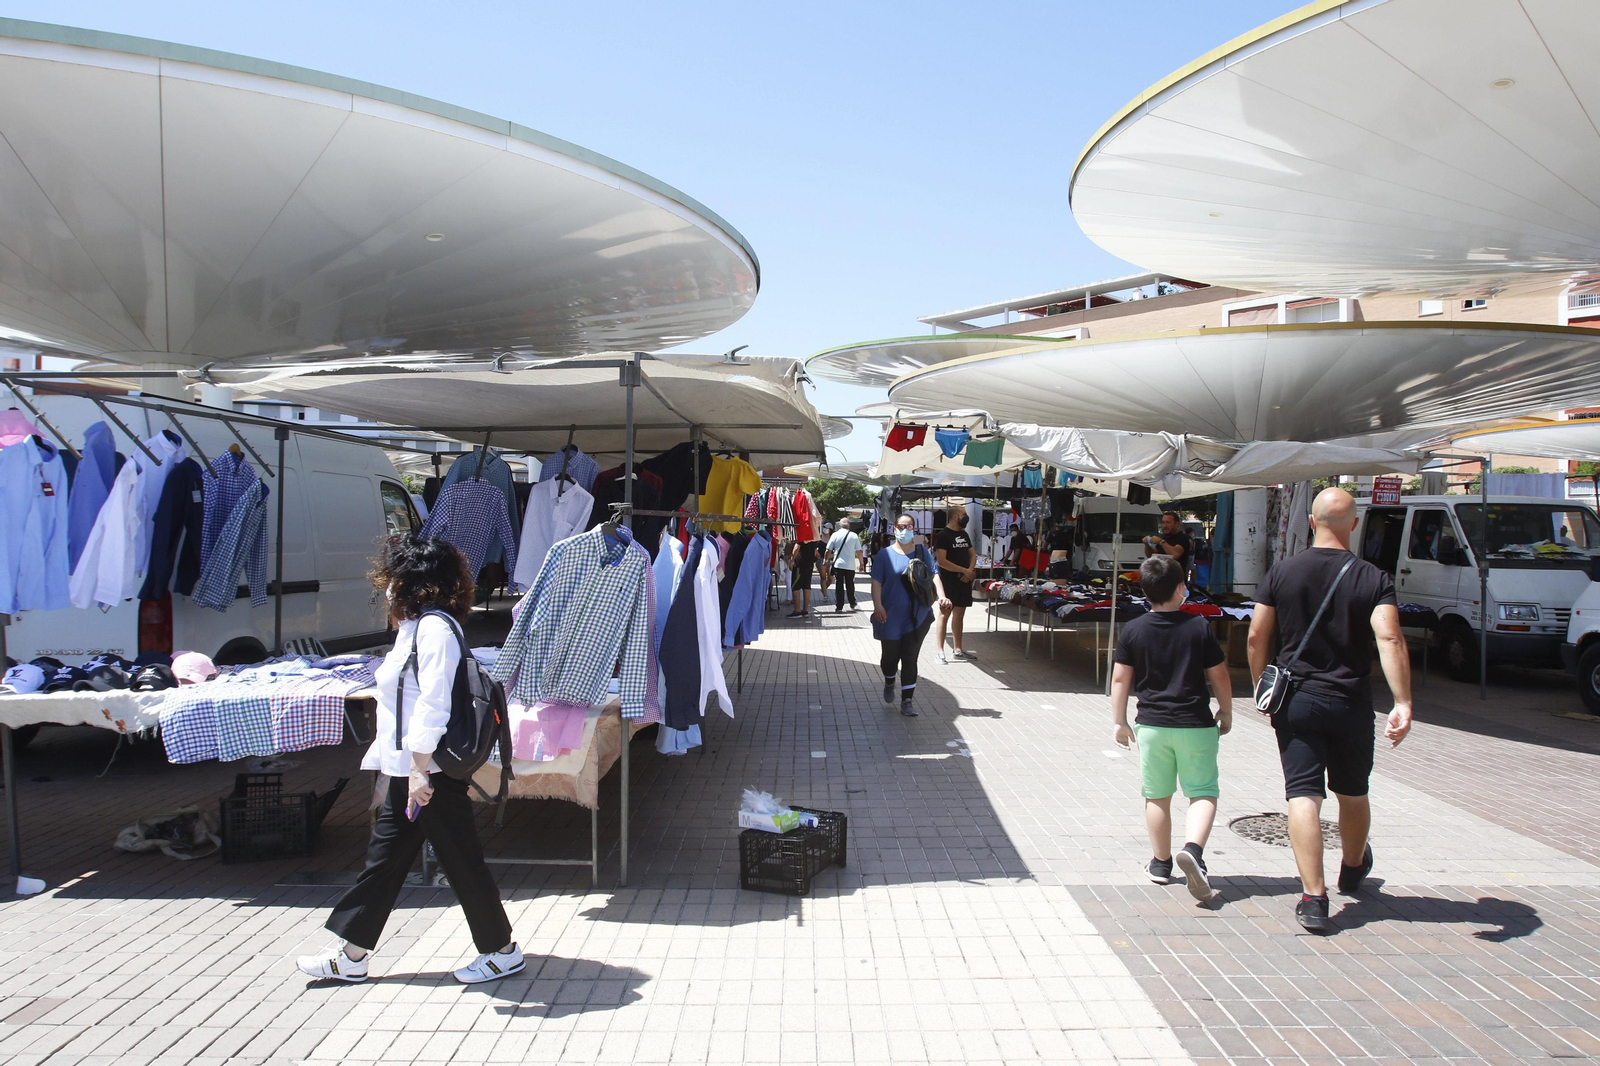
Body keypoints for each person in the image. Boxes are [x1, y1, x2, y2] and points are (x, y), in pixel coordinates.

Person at [297, 536, 521, 984]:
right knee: (386, 862)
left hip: (428, 772)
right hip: (411, 771)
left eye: (393, 578)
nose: (386, 588)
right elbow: (400, 704)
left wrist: (417, 768)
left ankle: (502, 950)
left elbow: (433, 704)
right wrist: (392, 768)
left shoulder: (435, 630)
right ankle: (352, 955)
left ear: (414, 583)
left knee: (460, 861)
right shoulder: (413, 628)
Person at [1247, 487, 1413, 934]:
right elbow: (1390, 638)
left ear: (1312, 521)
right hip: (1350, 700)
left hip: (1297, 698)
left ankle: (1313, 898)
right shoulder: (1372, 577)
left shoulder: (1283, 571)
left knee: (1303, 794)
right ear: (1354, 525)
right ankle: (1354, 866)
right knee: (1352, 791)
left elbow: (1256, 636)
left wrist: (1261, 684)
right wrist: (1403, 701)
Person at [1111, 554, 1232, 902]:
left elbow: (1121, 678)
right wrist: (1225, 709)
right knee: (1203, 791)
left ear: (1145, 591)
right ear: (1182, 588)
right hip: (1196, 722)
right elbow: (1219, 674)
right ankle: (1193, 850)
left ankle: (1161, 863)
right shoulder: (1198, 627)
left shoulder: (1133, 629)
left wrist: (1119, 721)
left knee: (1157, 795)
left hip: (1151, 725)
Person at [871, 514, 951, 716]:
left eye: (909, 526)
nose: (905, 530)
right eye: (901, 526)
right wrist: (878, 606)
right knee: (889, 658)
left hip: (917, 616)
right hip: (889, 616)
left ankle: (907, 701)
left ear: (914, 529)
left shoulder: (922, 552)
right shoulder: (884, 555)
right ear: (894, 528)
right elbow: (876, 583)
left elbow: (934, 575)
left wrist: (942, 597)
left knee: (910, 657)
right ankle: (890, 681)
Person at [933, 508, 978, 663]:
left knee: (959, 614)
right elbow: (942, 561)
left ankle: (958, 649)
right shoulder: (943, 535)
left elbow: (973, 554)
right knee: (944, 614)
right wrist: (964, 570)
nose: (966, 517)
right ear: (955, 516)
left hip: (964, 581)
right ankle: (939, 651)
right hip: (948, 581)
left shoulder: (964, 535)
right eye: (964, 515)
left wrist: (969, 572)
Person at [825, 518, 863, 612]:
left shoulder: (835, 535)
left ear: (840, 525)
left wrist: (825, 559)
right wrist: (862, 563)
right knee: (850, 584)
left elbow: (828, 550)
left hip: (838, 564)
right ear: (849, 525)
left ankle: (839, 606)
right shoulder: (854, 535)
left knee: (839, 585)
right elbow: (859, 551)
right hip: (850, 565)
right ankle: (852, 602)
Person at [787, 537, 821, 617]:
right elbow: (816, 552)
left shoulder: (801, 536)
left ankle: (797, 610)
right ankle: (805, 610)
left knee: (795, 586)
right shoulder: (813, 537)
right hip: (809, 564)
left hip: (800, 564)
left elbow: (797, 548)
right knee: (807, 586)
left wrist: (792, 560)